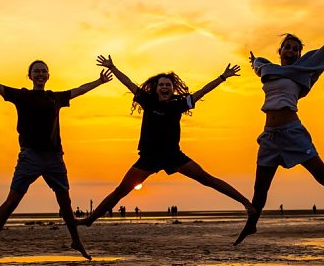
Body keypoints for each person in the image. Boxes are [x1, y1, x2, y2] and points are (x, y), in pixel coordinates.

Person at [0, 47, 112, 266]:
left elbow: (79, 90)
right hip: (30, 157)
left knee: (65, 201)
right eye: (37, 72)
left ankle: (76, 240)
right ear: (30, 76)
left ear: (48, 76)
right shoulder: (21, 95)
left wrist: (99, 82)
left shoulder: (55, 98)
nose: (40, 74)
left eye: (44, 72)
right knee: (12, 202)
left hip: (54, 158)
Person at [234, 12, 324, 245]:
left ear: (300, 55)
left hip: (292, 133)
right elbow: (258, 65)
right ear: (279, 52)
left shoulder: (304, 69)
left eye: (294, 49)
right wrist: (254, 63)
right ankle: (251, 225)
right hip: (269, 138)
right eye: (286, 48)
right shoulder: (267, 70)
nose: (290, 51)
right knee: (260, 189)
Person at [79, 55, 254, 227]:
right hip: (149, 157)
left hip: (173, 156)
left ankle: (247, 203)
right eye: (161, 84)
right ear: (156, 88)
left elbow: (202, 91)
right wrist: (112, 67)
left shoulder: (179, 104)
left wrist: (223, 77)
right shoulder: (148, 100)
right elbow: (128, 83)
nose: (164, 87)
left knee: (207, 179)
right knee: (121, 191)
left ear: (172, 89)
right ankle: (89, 220)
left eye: (168, 85)